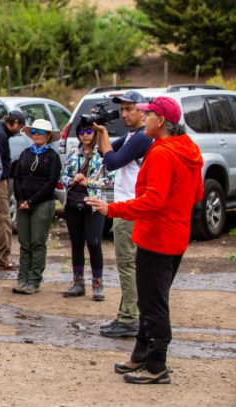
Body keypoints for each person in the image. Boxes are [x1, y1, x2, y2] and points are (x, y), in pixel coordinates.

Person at [86, 96, 203, 385]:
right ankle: (140, 356)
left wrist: (111, 208)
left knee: (153, 305)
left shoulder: (163, 152)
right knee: (153, 299)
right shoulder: (187, 148)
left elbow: (153, 200)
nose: (142, 117)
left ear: (160, 121)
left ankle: (156, 366)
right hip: (174, 234)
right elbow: (197, 195)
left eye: (147, 114)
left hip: (157, 237)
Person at [94, 90, 153, 338]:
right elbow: (103, 153)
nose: (124, 114)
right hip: (126, 205)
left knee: (127, 263)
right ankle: (128, 314)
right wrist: (99, 132)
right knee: (129, 263)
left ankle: (129, 317)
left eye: (130, 109)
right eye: (122, 110)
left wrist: (105, 134)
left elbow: (113, 162)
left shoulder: (141, 138)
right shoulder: (132, 135)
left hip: (130, 208)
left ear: (143, 111)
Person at [59, 119, 113, 301]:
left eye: (89, 131)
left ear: (95, 132)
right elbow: (63, 177)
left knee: (94, 242)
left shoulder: (104, 155)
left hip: (95, 205)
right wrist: (73, 179)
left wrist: (88, 182)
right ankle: (78, 283)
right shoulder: (74, 154)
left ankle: (97, 284)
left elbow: (110, 181)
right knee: (76, 243)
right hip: (74, 204)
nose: (85, 135)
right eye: (82, 132)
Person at [12, 119, 61, 295]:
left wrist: (31, 201)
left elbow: (51, 182)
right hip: (23, 203)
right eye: (34, 132)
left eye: (41, 132)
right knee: (24, 242)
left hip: (42, 203)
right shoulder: (25, 154)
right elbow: (17, 177)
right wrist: (20, 200)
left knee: (37, 242)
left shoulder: (52, 156)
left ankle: (34, 280)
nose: (37, 135)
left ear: (48, 136)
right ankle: (22, 278)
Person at [0, 110, 25, 271]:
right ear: (15, 122)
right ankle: (3, 259)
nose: (20, 130)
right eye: (21, 126)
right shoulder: (0, 135)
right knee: (3, 221)